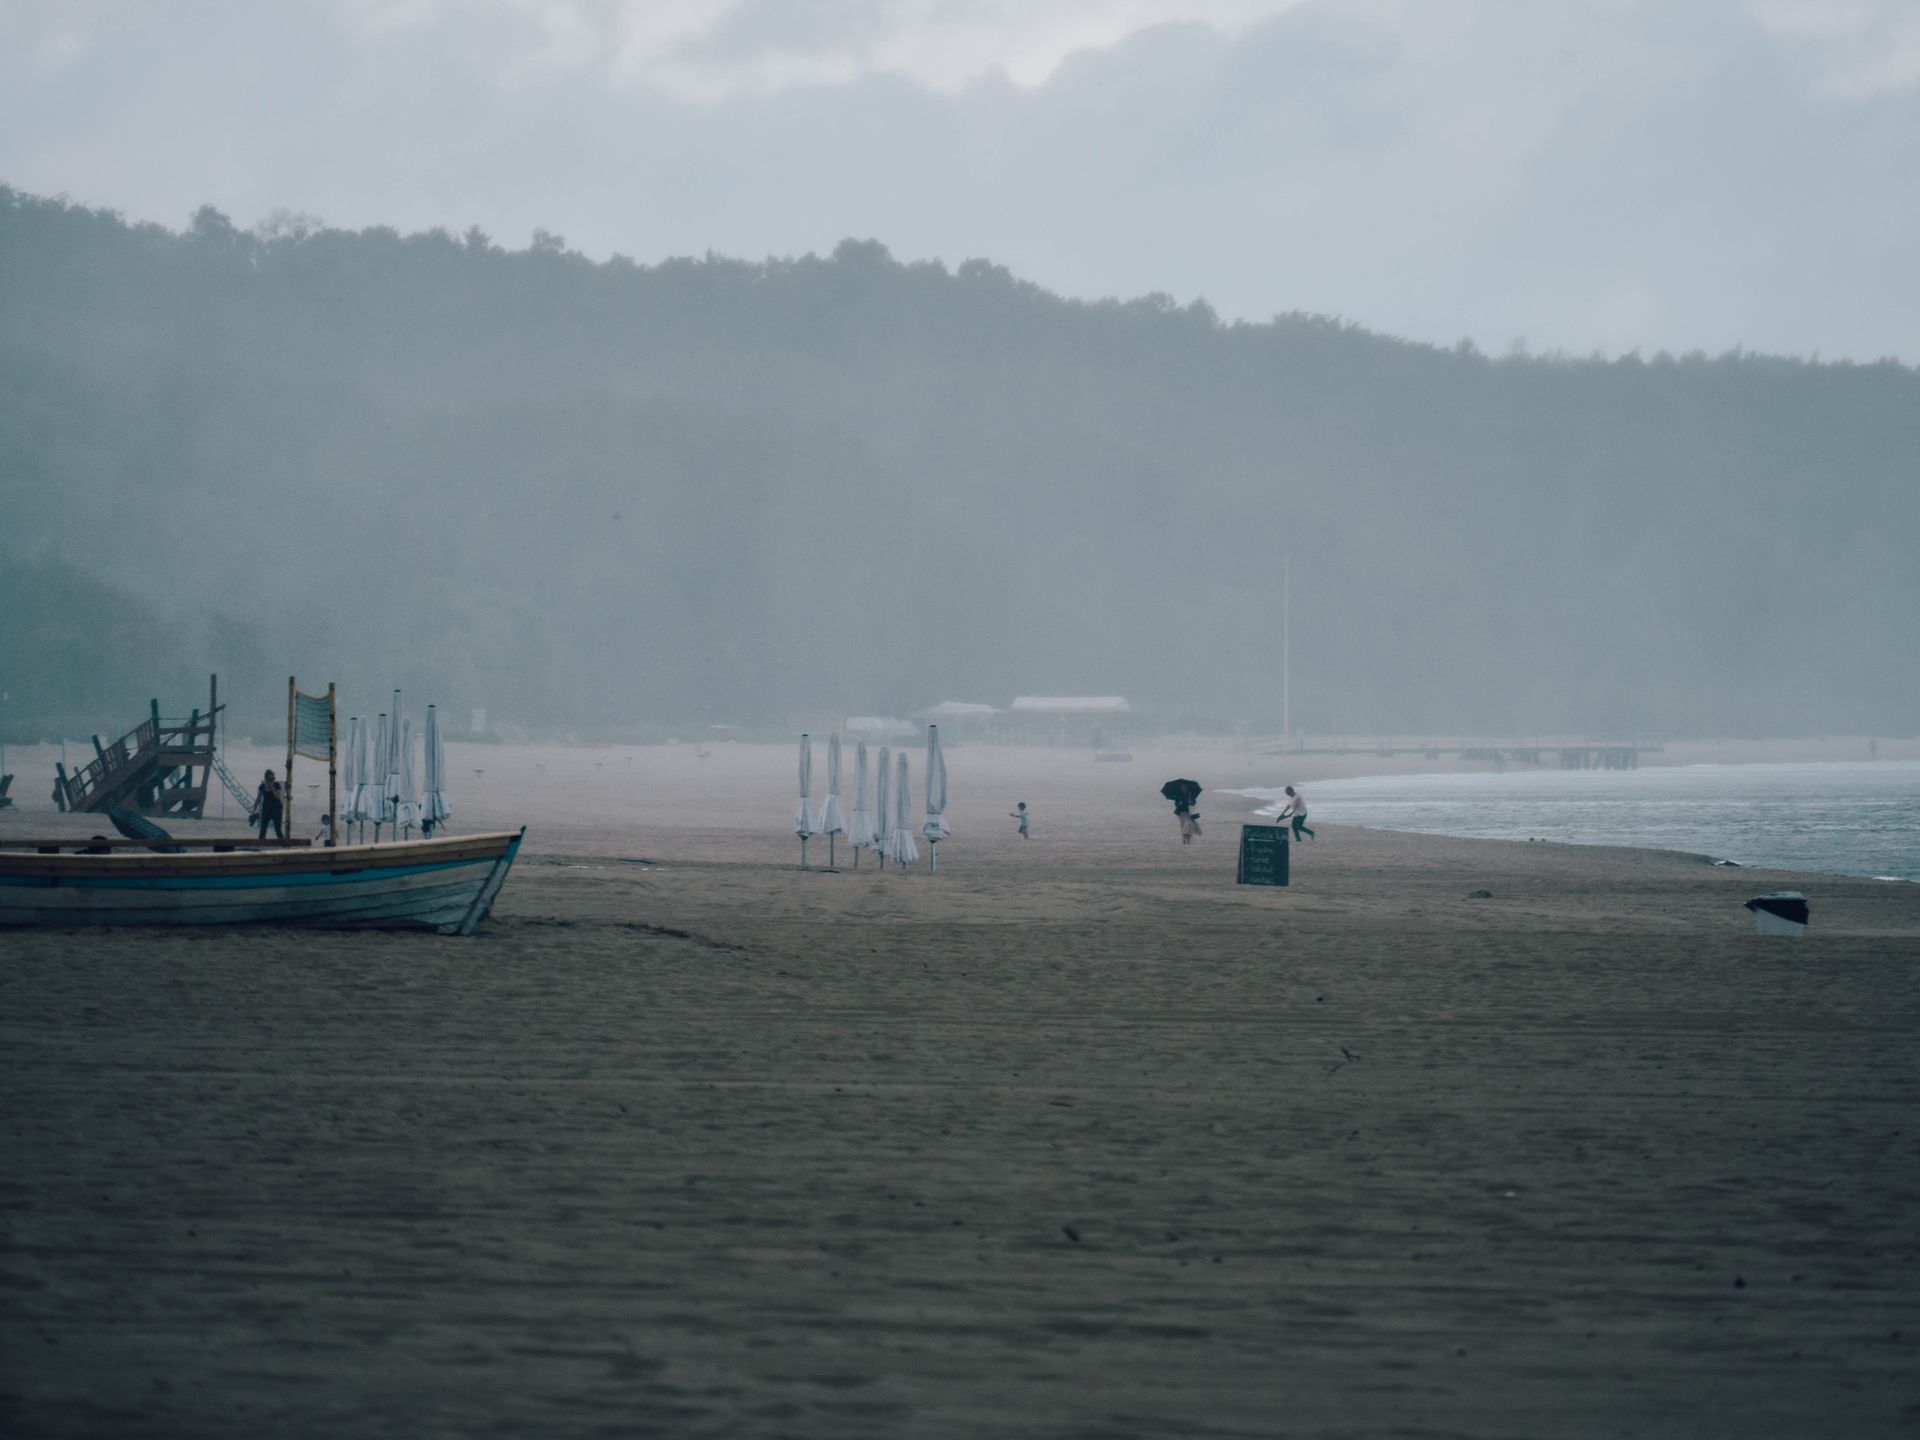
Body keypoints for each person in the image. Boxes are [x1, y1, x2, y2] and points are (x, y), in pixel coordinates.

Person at [253, 768, 286, 841]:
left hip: (276, 809)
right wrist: (254, 810)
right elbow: (258, 799)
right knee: (263, 828)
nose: (272, 780)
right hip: (266, 809)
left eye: (273, 779)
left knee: (277, 829)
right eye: (270, 779)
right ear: (266, 779)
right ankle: (261, 843)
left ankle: (283, 844)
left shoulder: (276, 785)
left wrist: (272, 788)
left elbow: (278, 797)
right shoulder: (262, 787)